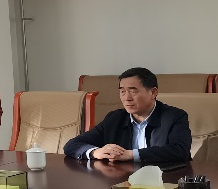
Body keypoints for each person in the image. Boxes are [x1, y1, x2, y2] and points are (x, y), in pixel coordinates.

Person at [63, 67, 192, 163]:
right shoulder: (114, 119)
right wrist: (96, 152)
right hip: (124, 182)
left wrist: (131, 155)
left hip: (164, 181)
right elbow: (72, 145)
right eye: (122, 92)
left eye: (133, 91)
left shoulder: (175, 117)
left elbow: (180, 151)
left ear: (153, 93)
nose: (126, 98)